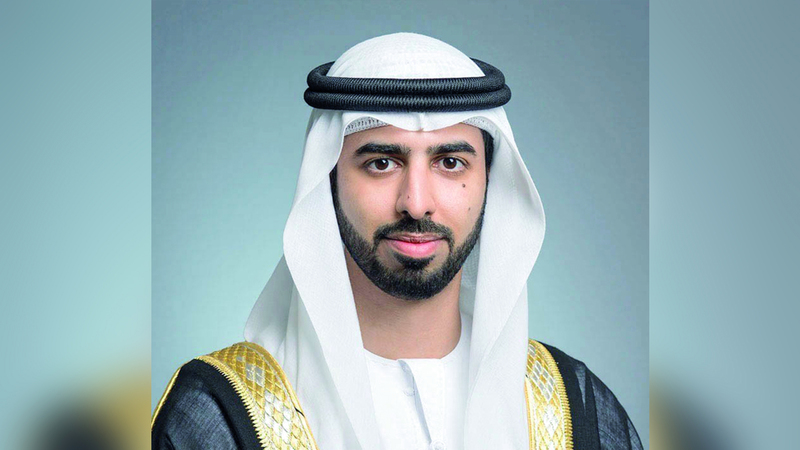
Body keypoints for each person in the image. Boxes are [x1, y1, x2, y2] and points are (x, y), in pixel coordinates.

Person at [151, 32, 643, 450]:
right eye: (381, 163)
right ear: (327, 182)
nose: (416, 202)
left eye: (450, 162)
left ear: (490, 182)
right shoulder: (222, 416)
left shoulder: (576, 410)